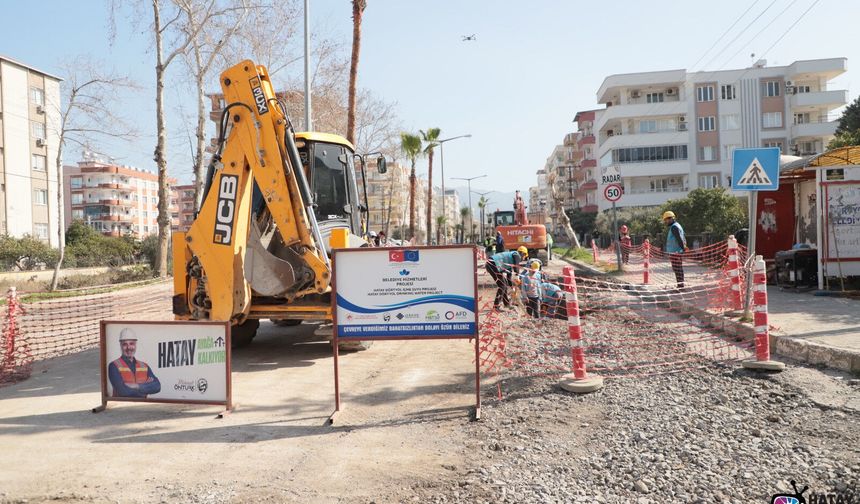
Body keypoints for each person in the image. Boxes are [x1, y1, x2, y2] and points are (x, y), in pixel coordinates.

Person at [108, 328, 161, 398]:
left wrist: (137, 386)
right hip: (122, 406)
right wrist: (146, 387)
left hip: (142, 406)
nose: (129, 347)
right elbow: (123, 391)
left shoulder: (144, 366)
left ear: (136, 345)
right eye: (125, 344)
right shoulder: (114, 366)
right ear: (120, 345)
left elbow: (157, 386)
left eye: (131, 343)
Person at [485, 245, 528, 310]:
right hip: (492, 264)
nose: (523, 259)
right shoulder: (516, 255)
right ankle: (496, 306)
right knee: (502, 285)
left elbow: (509, 277)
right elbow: (516, 266)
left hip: (492, 264)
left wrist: (511, 287)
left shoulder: (510, 260)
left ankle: (506, 304)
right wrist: (517, 275)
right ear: (523, 253)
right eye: (524, 256)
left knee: (504, 283)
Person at [663, 211, 688, 288]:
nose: (666, 222)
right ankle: (680, 284)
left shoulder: (674, 227)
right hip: (677, 251)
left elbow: (679, 239)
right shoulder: (677, 226)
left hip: (676, 252)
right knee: (678, 268)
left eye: (666, 220)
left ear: (670, 219)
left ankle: (680, 286)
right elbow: (683, 237)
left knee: (677, 269)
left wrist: (683, 248)